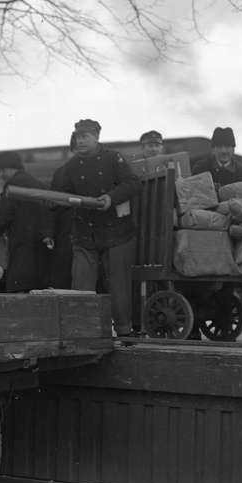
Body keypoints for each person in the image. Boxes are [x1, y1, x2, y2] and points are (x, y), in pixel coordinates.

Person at [53, 119, 141, 335]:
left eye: (85, 136)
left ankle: (124, 331)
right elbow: (64, 196)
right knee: (81, 287)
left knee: (119, 286)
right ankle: (81, 333)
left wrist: (111, 198)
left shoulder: (113, 158)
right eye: (77, 137)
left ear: (97, 137)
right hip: (85, 234)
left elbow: (133, 183)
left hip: (117, 232)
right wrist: (54, 202)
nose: (80, 141)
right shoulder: (70, 167)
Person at [0, 151, 55, 293]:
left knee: (20, 288)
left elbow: (3, 214)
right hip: (41, 249)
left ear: (12, 167)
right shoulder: (41, 184)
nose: (0, 174)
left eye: (2, 170)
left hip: (21, 246)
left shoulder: (13, 184)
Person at [47, 135, 78, 289]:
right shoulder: (60, 173)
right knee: (64, 274)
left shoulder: (100, 171)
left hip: (91, 232)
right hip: (66, 231)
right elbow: (52, 208)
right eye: (76, 148)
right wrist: (49, 233)